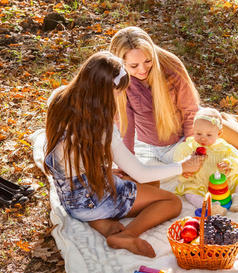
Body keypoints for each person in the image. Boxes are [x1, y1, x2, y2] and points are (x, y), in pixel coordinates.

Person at [44, 51, 204, 258]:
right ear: (106, 91)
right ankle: (127, 235)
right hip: (94, 197)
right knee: (170, 201)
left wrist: (106, 171)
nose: (120, 96)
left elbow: (70, 154)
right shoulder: (102, 128)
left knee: (135, 181)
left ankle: (103, 223)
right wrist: (183, 166)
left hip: (71, 199)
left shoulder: (58, 98)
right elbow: (142, 173)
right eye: (118, 92)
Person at [109, 26, 238, 166]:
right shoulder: (118, 81)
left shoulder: (170, 65)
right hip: (167, 148)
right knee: (223, 165)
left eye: (148, 61)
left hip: (196, 126)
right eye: (134, 66)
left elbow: (190, 110)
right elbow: (124, 127)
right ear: (121, 64)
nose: (142, 70)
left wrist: (195, 146)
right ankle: (225, 120)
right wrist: (127, 166)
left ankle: (223, 119)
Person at [173, 107, 238, 214]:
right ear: (193, 130)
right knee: (189, 192)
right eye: (198, 133)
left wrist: (228, 163)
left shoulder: (223, 146)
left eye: (209, 135)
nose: (203, 138)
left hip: (224, 183)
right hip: (200, 183)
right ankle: (209, 206)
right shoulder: (189, 147)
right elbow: (180, 161)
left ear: (219, 134)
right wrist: (185, 172)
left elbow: (236, 158)